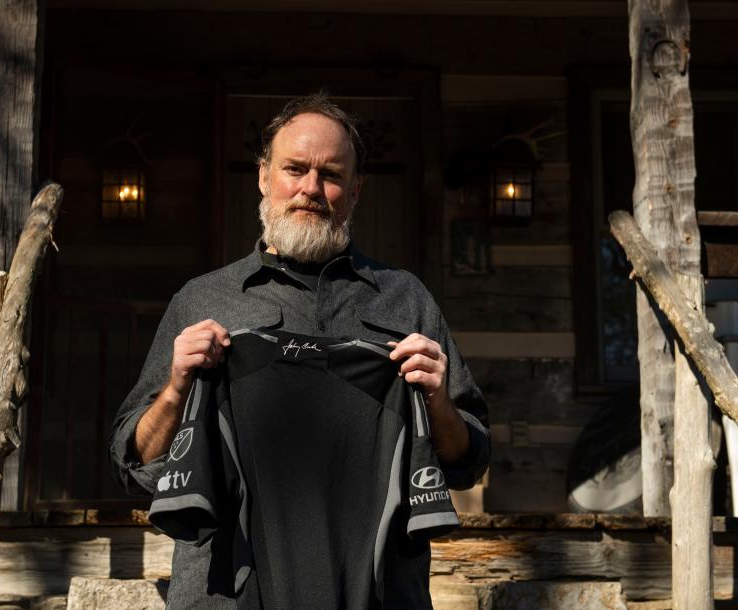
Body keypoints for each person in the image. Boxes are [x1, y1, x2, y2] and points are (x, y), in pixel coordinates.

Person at [109, 92, 490, 608]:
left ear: (355, 191)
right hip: (230, 592)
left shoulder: (406, 299)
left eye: (331, 175)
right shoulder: (203, 301)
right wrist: (177, 389)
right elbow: (137, 464)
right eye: (295, 169)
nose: (311, 188)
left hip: (374, 589)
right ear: (264, 176)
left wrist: (439, 402)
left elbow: (467, 461)